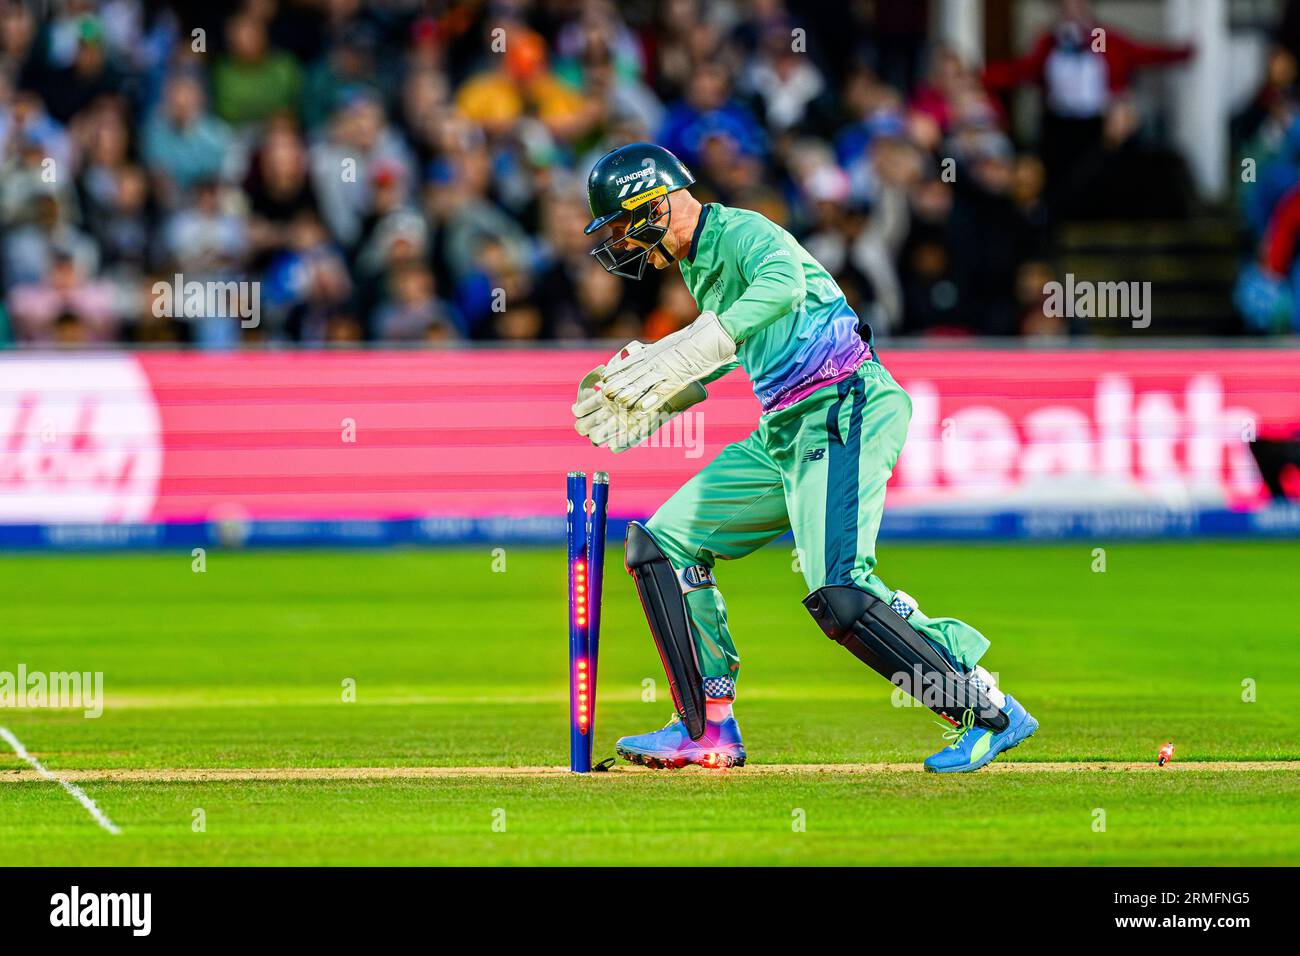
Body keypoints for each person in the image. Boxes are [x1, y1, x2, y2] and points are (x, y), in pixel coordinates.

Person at [572, 143, 1039, 772]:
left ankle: (986, 710)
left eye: (624, 226)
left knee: (841, 594)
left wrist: (684, 347)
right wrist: (670, 395)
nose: (623, 244)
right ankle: (707, 727)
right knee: (662, 545)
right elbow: (756, 336)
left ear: (653, 204)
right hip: (786, 427)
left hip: (845, 405)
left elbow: (783, 286)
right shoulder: (698, 265)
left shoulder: (738, 229)